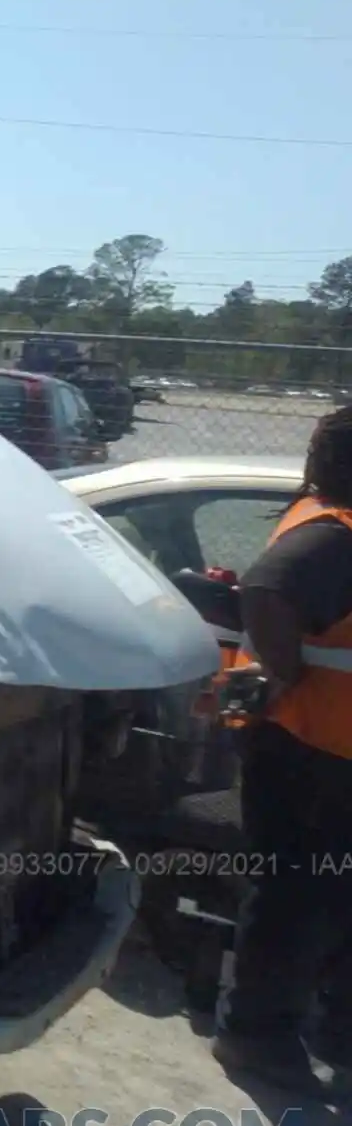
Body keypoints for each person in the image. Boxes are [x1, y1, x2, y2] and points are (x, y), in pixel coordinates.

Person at [213, 404, 352, 1090]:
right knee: (296, 896)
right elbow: (266, 587)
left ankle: (333, 1030)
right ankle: (255, 1038)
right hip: (306, 747)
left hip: (320, 744)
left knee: (325, 894)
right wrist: (287, 669)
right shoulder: (333, 536)